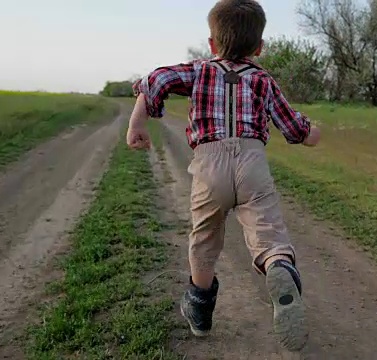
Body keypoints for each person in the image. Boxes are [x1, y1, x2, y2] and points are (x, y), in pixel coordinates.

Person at [125, 0, 320, 352]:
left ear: (212, 44)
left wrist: (137, 121)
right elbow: (293, 127)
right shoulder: (262, 79)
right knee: (268, 231)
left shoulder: (197, 71)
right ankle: (278, 266)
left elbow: (156, 79)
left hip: (208, 164)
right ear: (259, 48)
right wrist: (311, 133)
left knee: (204, 240)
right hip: (252, 162)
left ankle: (200, 312)